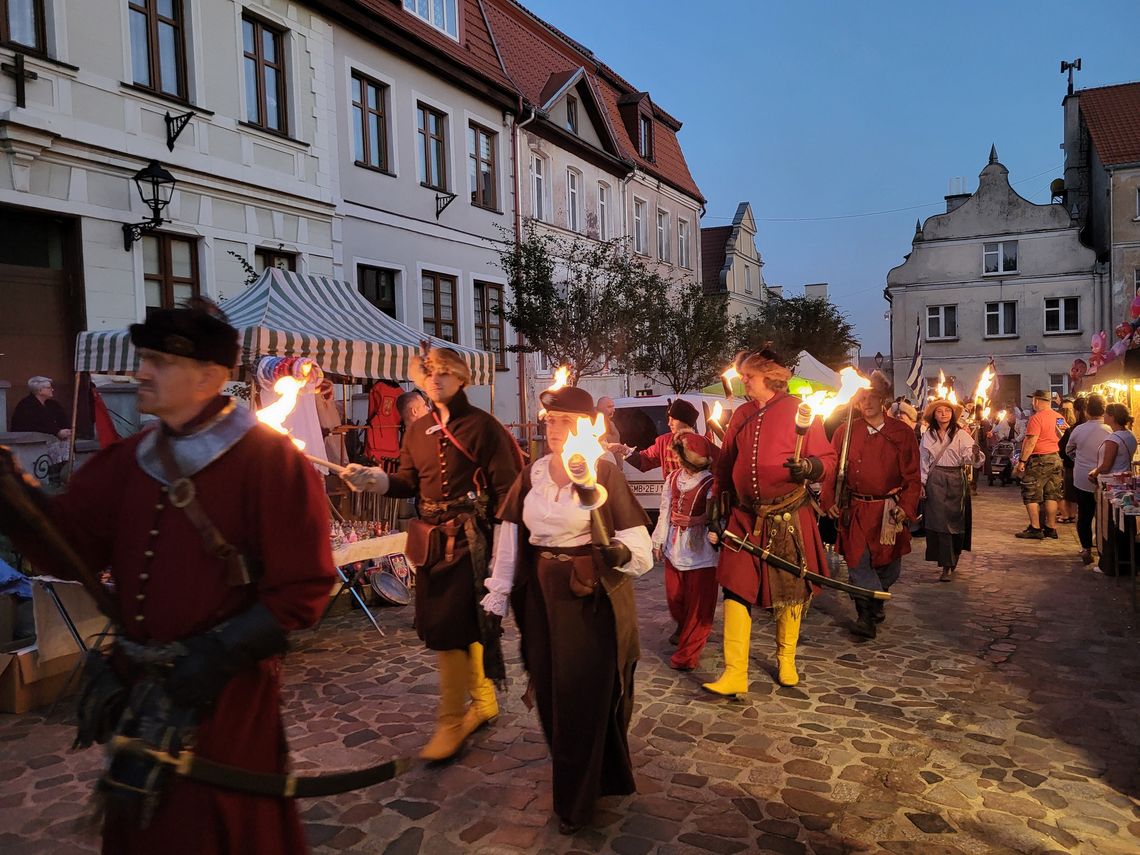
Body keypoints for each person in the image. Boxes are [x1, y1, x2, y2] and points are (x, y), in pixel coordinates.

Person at [0, 300, 335, 854]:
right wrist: (17, 498)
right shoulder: (130, 457)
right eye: (145, 359)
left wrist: (217, 656)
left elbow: (304, 588)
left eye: (159, 362)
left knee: (222, 828)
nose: (141, 373)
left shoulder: (270, 461)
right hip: (141, 691)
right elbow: (71, 549)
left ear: (207, 376)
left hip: (227, 701)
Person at [480, 384, 652, 834]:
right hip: (539, 597)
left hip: (588, 597)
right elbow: (509, 538)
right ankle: (590, 773)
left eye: (565, 422)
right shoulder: (533, 474)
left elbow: (639, 544)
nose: (554, 429)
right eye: (550, 421)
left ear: (585, 427)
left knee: (582, 696)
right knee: (552, 693)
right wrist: (497, 595)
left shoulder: (603, 472)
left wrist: (619, 552)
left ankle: (575, 800)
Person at [341, 347, 521, 761]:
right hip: (432, 544)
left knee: (451, 628)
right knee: (453, 628)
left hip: (471, 542)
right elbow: (408, 481)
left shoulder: (484, 427)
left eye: (444, 372)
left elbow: (508, 491)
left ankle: (451, 722)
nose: (435, 379)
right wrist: (375, 480)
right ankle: (484, 701)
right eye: (429, 374)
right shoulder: (418, 430)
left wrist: (503, 551)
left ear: (461, 378)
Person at [703, 348, 836, 693]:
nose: (743, 381)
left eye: (748, 376)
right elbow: (725, 461)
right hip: (744, 516)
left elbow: (827, 458)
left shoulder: (799, 410)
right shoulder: (742, 413)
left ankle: (786, 659)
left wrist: (810, 467)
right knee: (735, 586)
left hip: (788, 515)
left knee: (790, 589)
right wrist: (717, 501)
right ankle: (735, 673)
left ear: (770, 376)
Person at [825, 372, 920, 638]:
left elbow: (913, 477)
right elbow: (832, 468)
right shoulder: (845, 432)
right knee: (858, 562)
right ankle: (865, 615)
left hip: (887, 511)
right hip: (855, 510)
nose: (866, 403)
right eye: (861, 399)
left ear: (882, 400)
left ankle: (877, 598)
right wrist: (829, 499)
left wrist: (906, 507)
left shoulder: (901, 433)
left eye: (871, 398)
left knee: (889, 567)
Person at [651, 432, 719, 670]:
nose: (679, 462)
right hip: (675, 546)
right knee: (675, 598)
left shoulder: (710, 483)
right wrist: (658, 541)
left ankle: (688, 655)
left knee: (699, 606)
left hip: (701, 551)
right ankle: (684, 630)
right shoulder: (672, 479)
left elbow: (717, 516)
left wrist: (709, 525)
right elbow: (665, 510)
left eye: (683, 458)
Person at [920, 398, 982, 580]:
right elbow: (923, 460)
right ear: (934, 415)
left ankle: (954, 555)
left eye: (947, 411)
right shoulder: (928, 435)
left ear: (952, 415)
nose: (944, 414)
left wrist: (975, 455)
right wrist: (922, 483)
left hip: (955, 478)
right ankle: (946, 564)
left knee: (954, 520)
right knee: (939, 521)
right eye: (939, 411)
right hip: (935, 478)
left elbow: (972, 458)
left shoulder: (961, 435)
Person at [1013, 390, 1065, 540]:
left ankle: (1035, 527)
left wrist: (1022, 461)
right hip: (1055, 457)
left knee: (1030, 493)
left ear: (1037, 401)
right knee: (1051, 494)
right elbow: (1063, 436)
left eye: (1033, 400)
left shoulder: (1036, 418)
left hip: (1040, 459)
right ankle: (1051, 527)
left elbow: (1031, 441)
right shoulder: (1059, 417)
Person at [1064, 394, 1109, 565]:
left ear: (1086, 411)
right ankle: (1102, 548)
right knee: (1104, 515)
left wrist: (1079, 460)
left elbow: (1069, 450)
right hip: (1104, 477)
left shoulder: (1079, 430)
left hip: (1082, 477)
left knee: (1084, 514)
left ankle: (1086, 548)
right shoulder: (1109, 430)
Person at [618, 398, 699, 480]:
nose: (669, 423)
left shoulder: (701, 442)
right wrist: (624, 450)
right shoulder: (664, 441)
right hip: (671, 487)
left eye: (673, 419)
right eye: (669, 419)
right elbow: (645, 460)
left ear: (685, 421)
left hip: (696, 487)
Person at [1088, 402, 1137, 481]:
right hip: (1126, 477)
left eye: (1105, 413)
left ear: (1112, 417)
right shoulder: (1130, 434)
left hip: (1112, 480)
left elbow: (1106, 467)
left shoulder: (1113, 439)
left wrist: (1095, 473)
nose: (1103, 415)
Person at [1057, 400, 1080, 523]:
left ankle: (1066, 513)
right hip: (1075, 461)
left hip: (1066, 460)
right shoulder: (1075, 427)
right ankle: (1072, 514)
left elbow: (1063, 444)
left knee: (1064, 488)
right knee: (1071, 489)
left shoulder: (1062, 423)